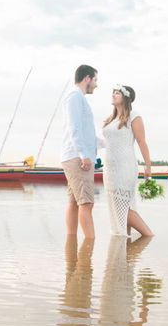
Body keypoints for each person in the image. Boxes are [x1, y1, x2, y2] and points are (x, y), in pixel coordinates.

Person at [102, 84, 155, 237]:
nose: (113, 95)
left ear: (125, 98)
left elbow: (141, 141)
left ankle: (149, 236)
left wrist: (148, 166)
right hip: (109, 169)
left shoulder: (134, 116)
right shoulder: (110, 119)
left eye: (117, 93)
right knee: (116, 206)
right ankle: (126, 252)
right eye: (113, 92)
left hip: (125, 168)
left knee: (123, 206)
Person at [62, 64, 100, 239]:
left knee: (75, 202)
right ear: (87, 78)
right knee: (87, 203)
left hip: (76, 155)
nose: (96, 84)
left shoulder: (78, 98)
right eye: (95, 80)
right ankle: (89, 248)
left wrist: (112, 142)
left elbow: (87, 134)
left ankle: (72, 249)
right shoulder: (75, 96)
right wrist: (84, 155)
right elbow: (74, 128)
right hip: (78, 158)